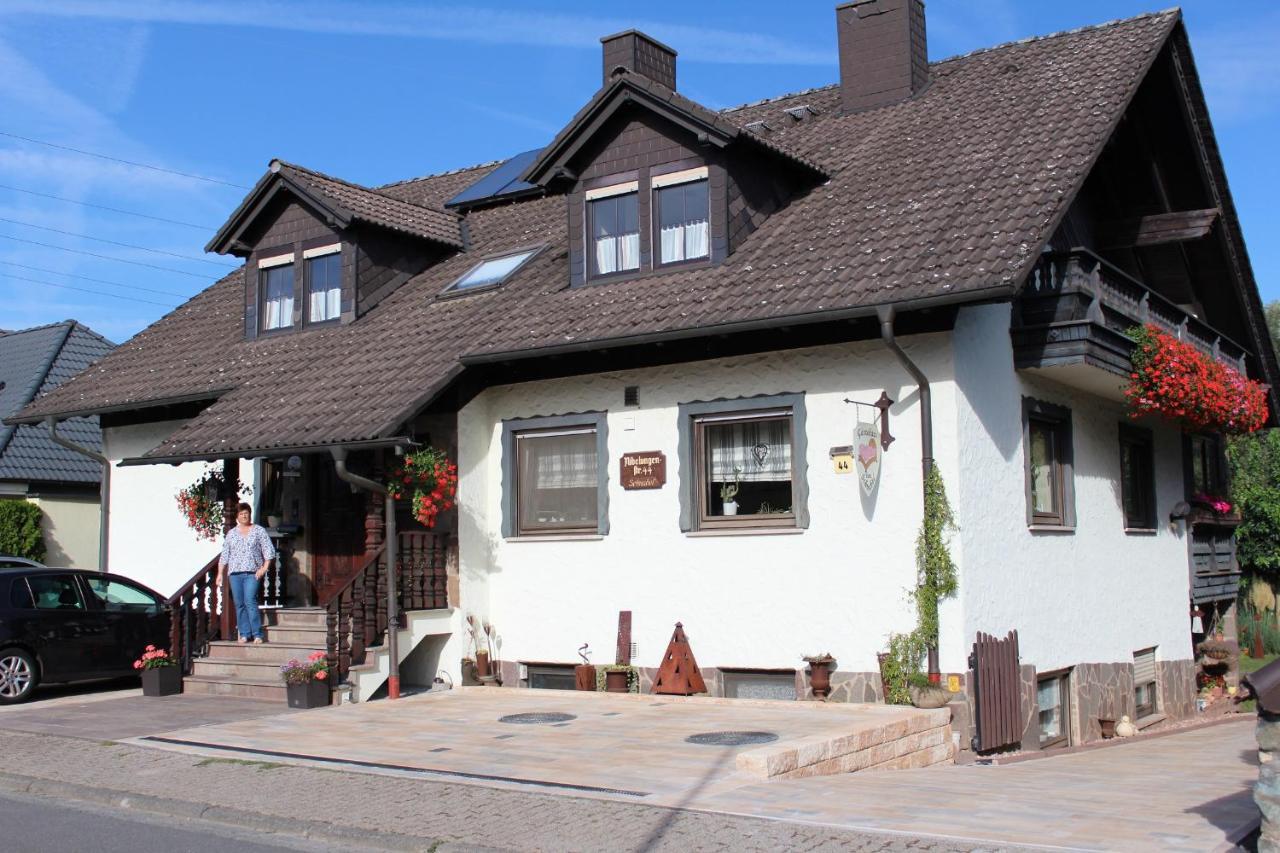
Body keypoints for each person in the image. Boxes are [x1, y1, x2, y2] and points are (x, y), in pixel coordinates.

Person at [218, 502, 275, 644]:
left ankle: (257, 634)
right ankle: (244, 633)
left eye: (246, 513)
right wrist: (220, 573)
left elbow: (268, 550)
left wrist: (264, 568)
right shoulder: (231, 534)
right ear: (237, 516)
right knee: (239, 604)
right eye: (241, 513)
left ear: (249, 514)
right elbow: (225, 555)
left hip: (252, 573)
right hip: (235, 573)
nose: (244, 515)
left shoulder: (259, 530)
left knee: (250, 600)